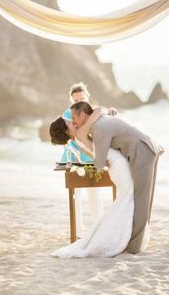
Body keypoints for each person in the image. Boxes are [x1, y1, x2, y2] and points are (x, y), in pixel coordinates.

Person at [69, 101, 164, 254]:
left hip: (143, 150)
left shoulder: (98, 128)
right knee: (142, 197)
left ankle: (134, 247)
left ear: (82, 115)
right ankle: (135, 242)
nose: (73, 122)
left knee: (141, 198)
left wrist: (80, 138)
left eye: (74, 118)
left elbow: (100, 163)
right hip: (145, 148)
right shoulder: (100, 121)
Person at [50, 108, 134, 258]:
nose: (70, 121)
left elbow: (92, 151)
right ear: (66, 129)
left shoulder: (78, 135)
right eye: (67, 122)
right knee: (126, 197)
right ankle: (120, 237)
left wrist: (101, 159)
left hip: (114, 162)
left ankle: (121, 234)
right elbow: (98, 111)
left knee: (124, 198)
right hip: (116, 163)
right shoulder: (80, 133)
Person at [60, 83, 105, 238]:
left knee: (95, 193)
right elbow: (68, 135)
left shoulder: (92, 112)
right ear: (71, 100)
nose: (78, 102)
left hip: (91, 157)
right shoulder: (67, 113)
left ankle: (100, 228)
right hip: (73, 157)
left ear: (87, 96)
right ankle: (78, 232)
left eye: (82, 98)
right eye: (75, 100)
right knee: (75, 196)